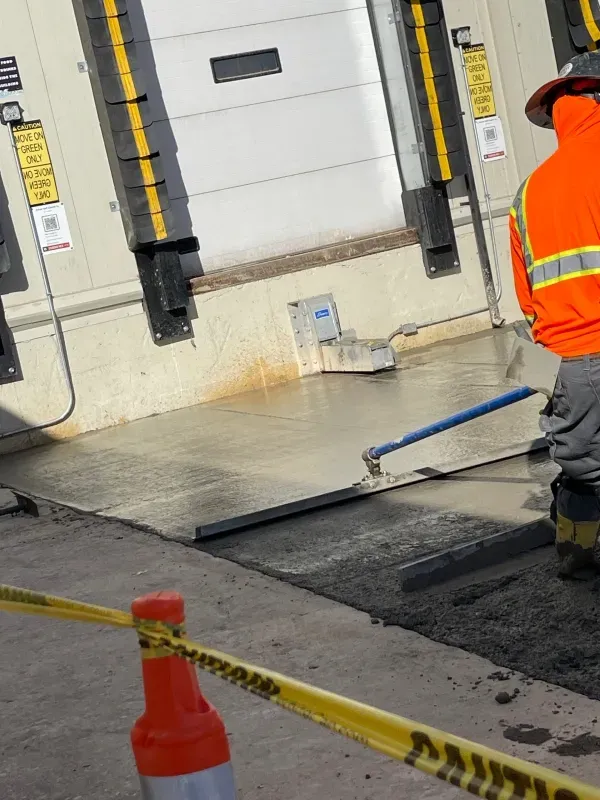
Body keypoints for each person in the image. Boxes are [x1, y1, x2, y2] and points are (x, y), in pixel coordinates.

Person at [510, 51, 600, 578]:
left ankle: (577, 556)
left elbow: (527, 301)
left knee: (584, 468)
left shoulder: (528, 194)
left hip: (574, 360)